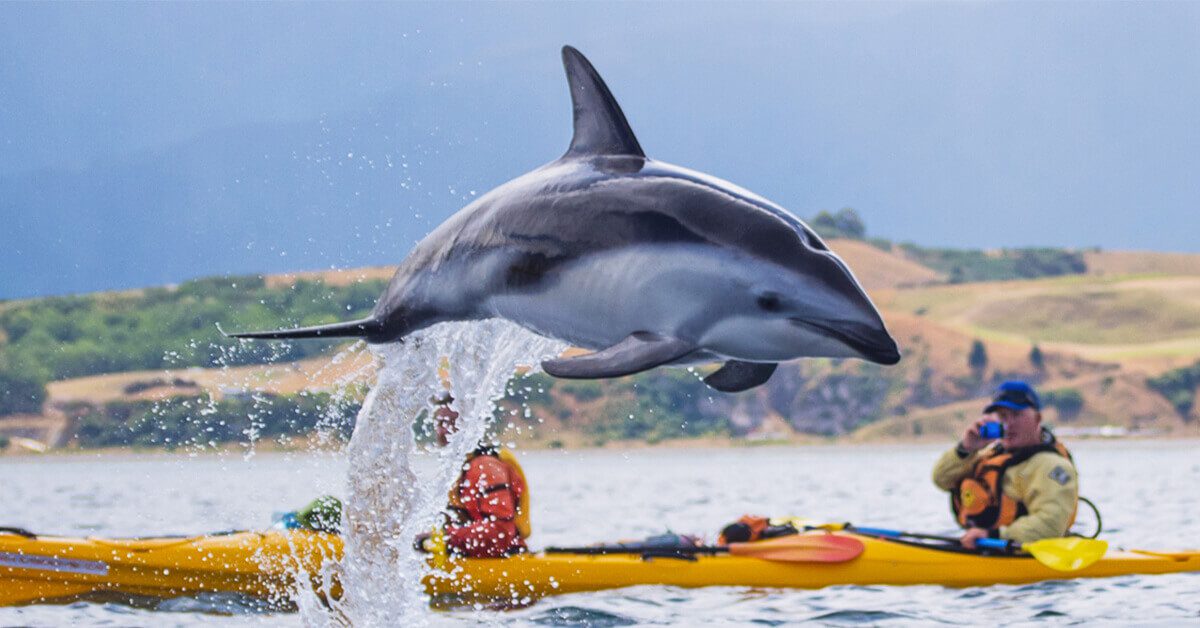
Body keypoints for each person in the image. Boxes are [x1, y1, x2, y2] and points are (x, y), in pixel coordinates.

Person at [932, 380, 1078, 549]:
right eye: (1002, 416)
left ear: (1037, 418)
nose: (1008, 424)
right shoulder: (990, 454)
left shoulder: (1053, 466)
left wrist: (995, 536)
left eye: (1016, 415)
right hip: (985, 548)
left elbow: (1051, 525)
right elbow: (941, 479)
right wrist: (966, 449)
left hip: (1023, 554)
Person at [427, 392, 531, 558]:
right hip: (472, 558)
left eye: (451, 423)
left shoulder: (486, 468)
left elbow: (501, 532)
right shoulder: (460, 470)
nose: (442, 431)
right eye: (440, 423)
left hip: (504, 563)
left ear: (469, 427)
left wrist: (447, 539)